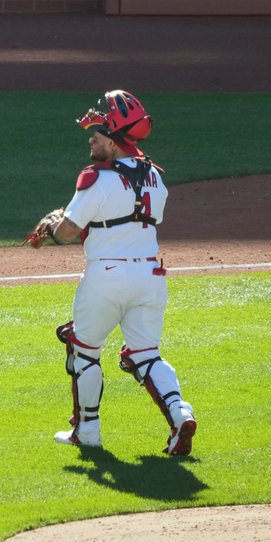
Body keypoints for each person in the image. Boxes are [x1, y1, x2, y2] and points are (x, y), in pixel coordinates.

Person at [31, 90, 197, 455]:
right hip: (151, 278)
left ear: (116, 142)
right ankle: (179, 412)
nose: (91, 139)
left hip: (106, 277)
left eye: (99, 134)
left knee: (84, 350)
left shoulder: (96, 178)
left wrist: (53, 222)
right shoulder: (156, 178)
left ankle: (87, 430)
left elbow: (68, 233)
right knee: (146, 355)